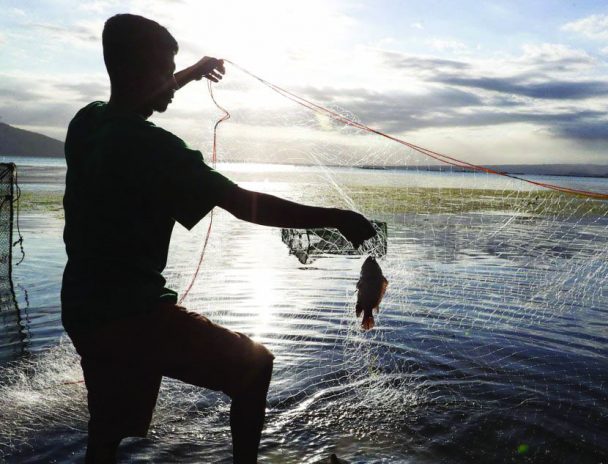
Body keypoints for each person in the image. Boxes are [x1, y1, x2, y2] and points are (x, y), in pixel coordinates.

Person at [61, 13, 376, 464]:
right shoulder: (154, 148)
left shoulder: (87, 123)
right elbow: (243, 203)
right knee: (254, 366)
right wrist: (336, 217)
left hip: (83, 307)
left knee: (107, 430)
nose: (173, 79)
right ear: (140, 71)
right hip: (132, 315)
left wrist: (191, 71)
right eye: (168, 69)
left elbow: (138, 95)